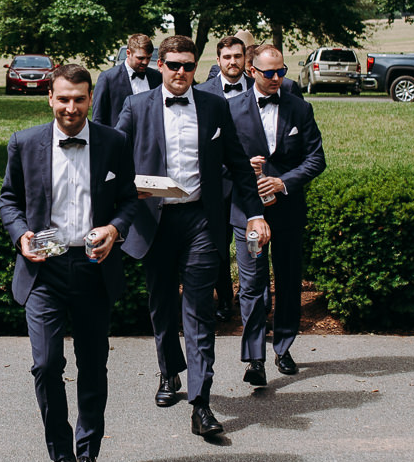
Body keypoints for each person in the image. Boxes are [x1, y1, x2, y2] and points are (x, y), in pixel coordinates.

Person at [115, 35, 269, 439]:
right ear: (159, 67)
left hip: (201, 220)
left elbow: (238, 165)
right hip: (155, 221)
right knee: (162, 304)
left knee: (199, 311)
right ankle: (169, 372)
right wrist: (132, 188)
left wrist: (254, 213)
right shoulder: (136, 106)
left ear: (196, 67)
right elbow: (112, 161)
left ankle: (201, 403)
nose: (180, 72)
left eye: (187, 65)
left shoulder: (215, 106)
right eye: (172, 65)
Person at [0, 64, 140, 462]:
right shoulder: (25, 143)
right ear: (50, 98)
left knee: (93, 366)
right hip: (45, 269)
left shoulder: (114, 142)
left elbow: (130, 198)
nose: (71, 107)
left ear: (91, 99)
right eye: (63, 98)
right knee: (45, 366)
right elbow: (9, 200)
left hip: (93, 267)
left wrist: (115, 229)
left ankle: (89, 454)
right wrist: (21, 233)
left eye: (79, 99)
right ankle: (61, 459)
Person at [228, 44, 325, 385]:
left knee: (287, 282)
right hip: (248, 213)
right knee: (253, 285)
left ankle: (283, 347)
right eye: (269, 73)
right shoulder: (230, 109)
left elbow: (316, 160)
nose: (276, 78)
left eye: (281, 72)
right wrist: (244, 167)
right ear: (251, 71)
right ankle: (254, 359)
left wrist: (283, 182)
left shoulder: (300, 108)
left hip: (288, 211)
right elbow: (215, 163)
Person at [194, 35, 250, 322]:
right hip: (214, 184)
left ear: (245, 59)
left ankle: (252, 297)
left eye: (237, 56)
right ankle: (225, 299)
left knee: (252, 246)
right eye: (227, 57)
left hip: (249, 183)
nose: (232, 62)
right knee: (217, 245)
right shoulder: (202, 93)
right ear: (218, 61)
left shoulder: (258, 88)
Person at [91, 33, 160, 127]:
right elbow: (98, 119)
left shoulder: (156, 77)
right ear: (128, 53)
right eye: (140, 58)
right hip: (119, 139)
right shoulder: (108, 78)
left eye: (149, 58)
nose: (145, 62)